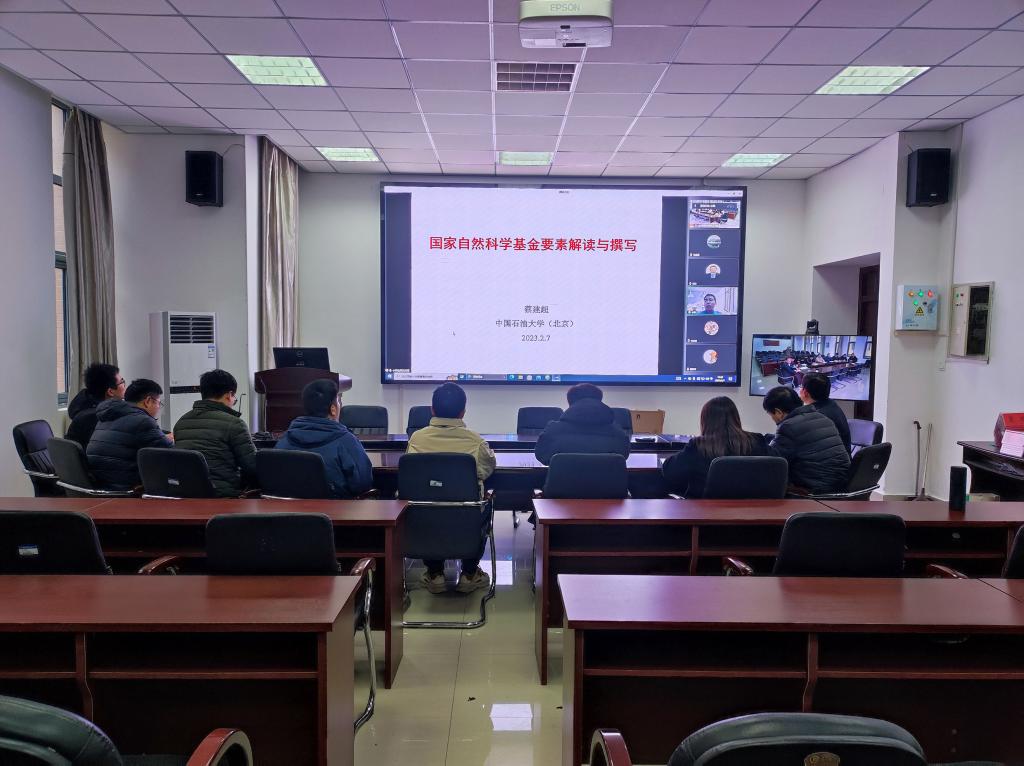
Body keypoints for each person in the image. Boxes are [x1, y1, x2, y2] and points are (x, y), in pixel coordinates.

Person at [407, 382, 496, 594]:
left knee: (429, 506)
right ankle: (469, 574)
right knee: (482, 506)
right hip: (466, 518)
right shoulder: (475, 441)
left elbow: (413, 474)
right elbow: (488, 468)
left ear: (432, 410)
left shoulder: (416, 439)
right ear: (463, 411)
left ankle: (435, 574)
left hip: (426, 517)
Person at [274, 379, 373, 499]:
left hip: (289, 510)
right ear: (333, 409)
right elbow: (363, 483)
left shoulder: (285, 439)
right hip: (336, 510)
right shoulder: (346, 441)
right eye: (339, 401)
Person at [661, 397, 774, 498]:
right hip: (751, 509)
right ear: (736, 418)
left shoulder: (698, 445)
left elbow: (669, 471)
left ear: (706, 421)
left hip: (705, 511)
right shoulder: (756, 440)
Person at [172, 369, 257, 497]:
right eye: (234, 398)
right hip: (222, 497)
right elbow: (253, 467)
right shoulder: (235, 424)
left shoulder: (181, 423)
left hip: (186, 496)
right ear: (229, 395)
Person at [87, 378, 172, 490]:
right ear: (148, 401)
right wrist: (172, 439)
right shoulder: (143, 421)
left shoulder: (106, 417)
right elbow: (171, 454)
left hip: (101, 486)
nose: (158, 407)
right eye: (158, 403)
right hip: (127, 489)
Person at [762, 386, 850, 495]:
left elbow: (773, 462)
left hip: (815, 490)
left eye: (771, 415)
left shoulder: (788, 426)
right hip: (841, 485)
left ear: (778, 412)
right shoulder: (824, 418)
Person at [534, 383, 630, 466]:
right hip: (607, 482)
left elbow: (542, 456)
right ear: (599, 401)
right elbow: (623, 456)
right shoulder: (618, 433)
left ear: (570, 403)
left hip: (562, 482)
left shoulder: (553, 430)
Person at [66, 363, 126, 449]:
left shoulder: (83, 408)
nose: (124, 385)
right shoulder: (99, 418)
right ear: (110, 392)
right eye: (122, 382)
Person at [799, 372, 852, 453]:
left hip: (832, 460)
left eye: (801, 387)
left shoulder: (816, 416)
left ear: (805, 392)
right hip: (842, 456)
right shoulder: (831, 404)